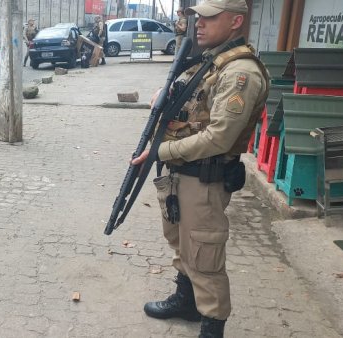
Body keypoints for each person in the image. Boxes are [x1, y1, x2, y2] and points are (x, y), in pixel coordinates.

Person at [130, 0, 268, 337]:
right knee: (182, 244)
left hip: (205, 178)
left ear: (236, 21)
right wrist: (165, 92)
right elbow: (190, 96)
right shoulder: (211, 61)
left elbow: (219, 138)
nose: (199, 24)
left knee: (204, 255)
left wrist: (159, 151)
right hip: (181, 175)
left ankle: (212, 326)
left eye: (209, 17)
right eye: (198, 17)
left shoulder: (241, 73)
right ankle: (187, 302)